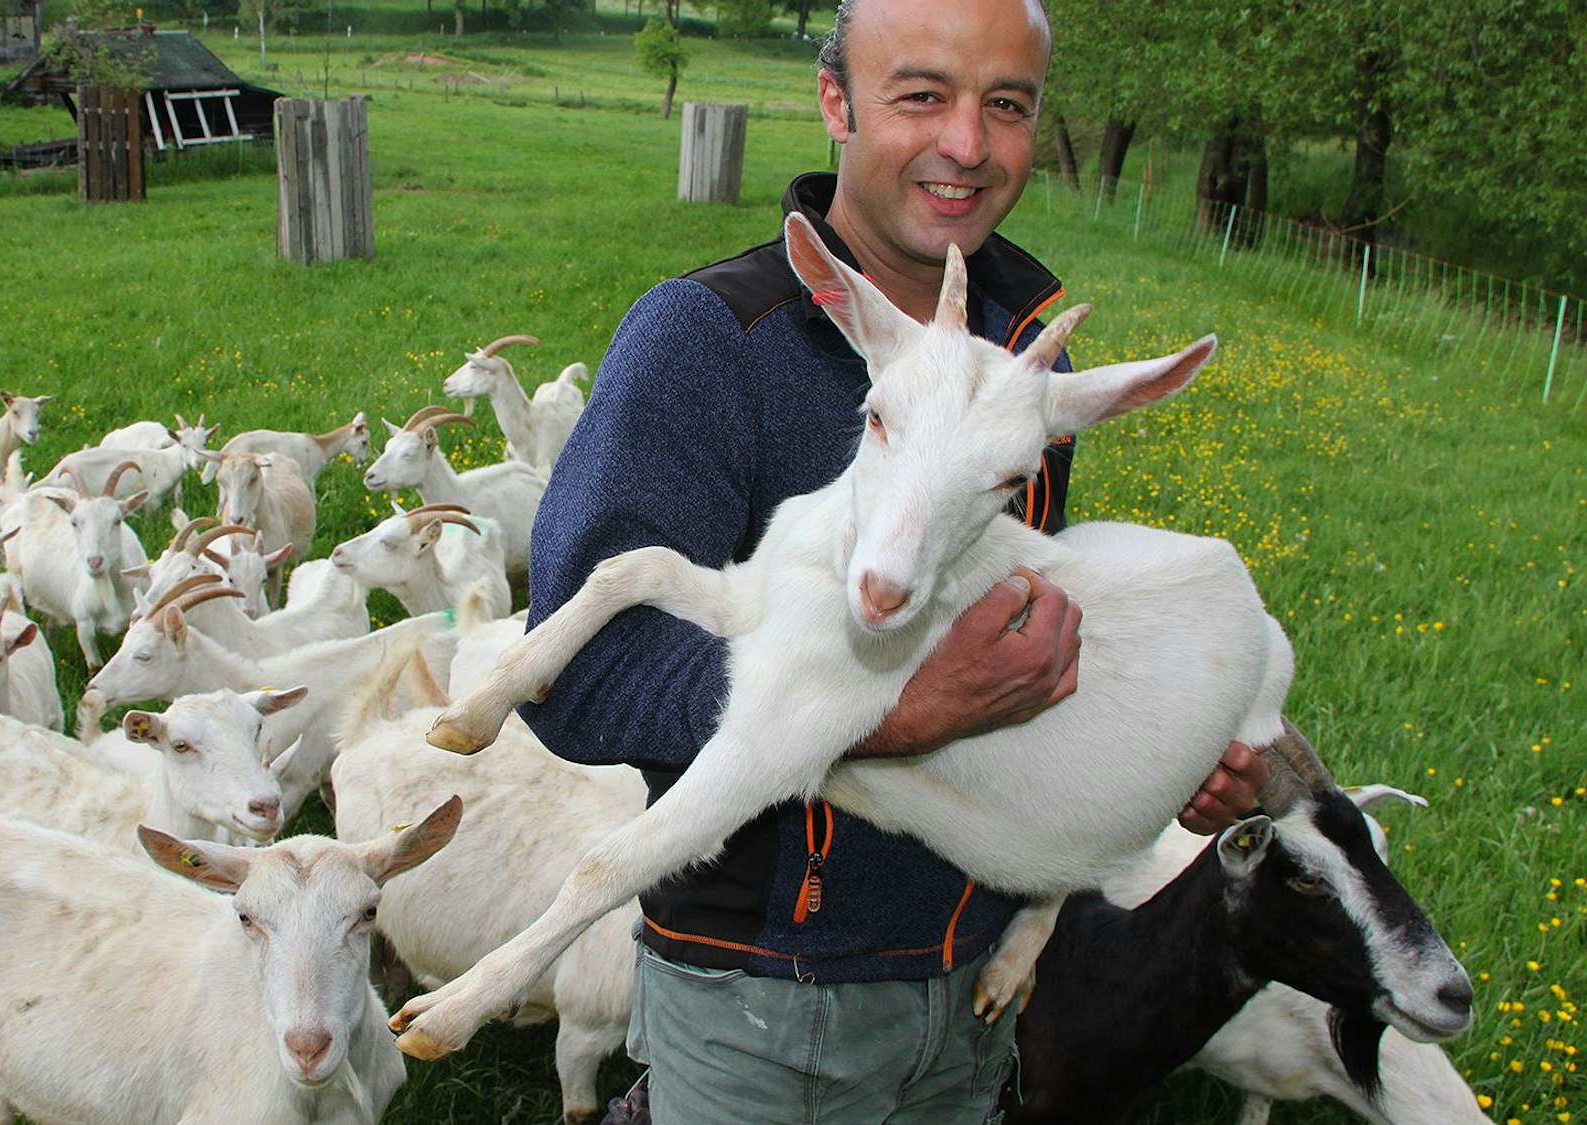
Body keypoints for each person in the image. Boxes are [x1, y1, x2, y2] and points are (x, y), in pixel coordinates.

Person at [516, 0, 1270, 1120]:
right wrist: (884, 713)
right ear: (836, 101)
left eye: (1003, 106)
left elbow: (1003, 634)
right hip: (764, 1005)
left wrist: (1171, 757)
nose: (965, 144)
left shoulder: (1021, 347)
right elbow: (577, 676)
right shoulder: (706, 341)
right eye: (920, 95)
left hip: (976, 994)